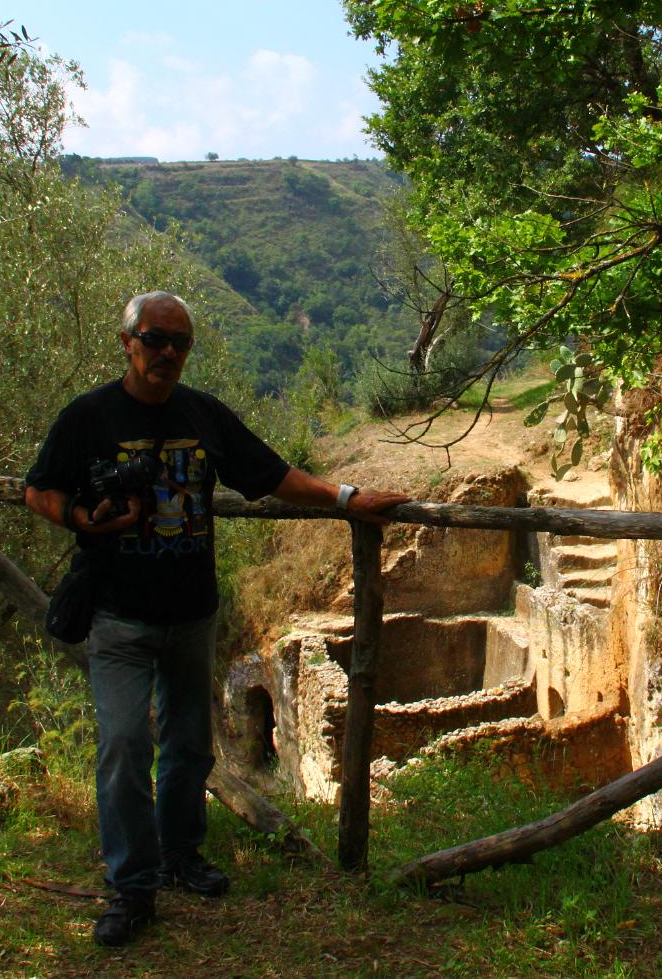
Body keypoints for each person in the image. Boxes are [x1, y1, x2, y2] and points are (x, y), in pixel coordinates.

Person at [24, 291, 407, 947]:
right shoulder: (88, 416)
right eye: (155, 338)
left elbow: (272, 473)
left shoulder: (202, 414)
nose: (167, 352)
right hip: (118, 617)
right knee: (122, 746)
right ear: (127, 342)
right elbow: (39, 489)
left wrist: (347, 497)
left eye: (180, 342)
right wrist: (84, 519)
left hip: (192, 614)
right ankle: (131, 885)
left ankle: (179, 857)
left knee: (189, 748)